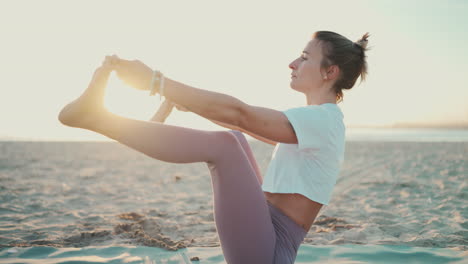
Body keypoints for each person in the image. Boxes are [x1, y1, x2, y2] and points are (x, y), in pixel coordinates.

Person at [58, 30, 370, 264]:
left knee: (225, 146)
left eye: (304, 57)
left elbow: (241, 113)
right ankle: (97, 116)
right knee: (234, 138)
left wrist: (157, 82)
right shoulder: (318, 123)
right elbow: (244, 124)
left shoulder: (324, 120)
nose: (292, 63)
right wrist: (188, 103)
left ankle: (98, 118)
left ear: (330, 72)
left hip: (272, 248)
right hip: (267, 231)